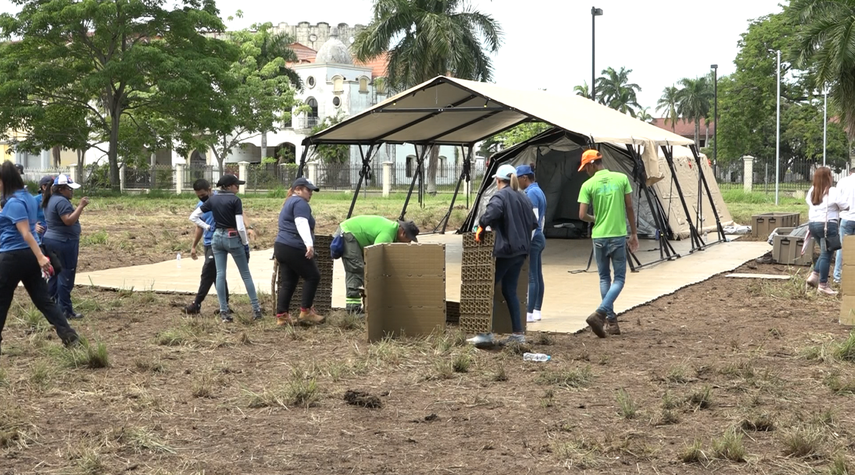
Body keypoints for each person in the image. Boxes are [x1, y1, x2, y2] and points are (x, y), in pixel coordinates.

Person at [0, 162, 79, 354]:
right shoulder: (27, 198)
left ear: (5, 180)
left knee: (2, 299)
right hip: (29, 256)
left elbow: (26, 233)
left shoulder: (13, 203)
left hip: (13, 255)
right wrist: (38, 256)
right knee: (43, 300)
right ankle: (69, 335)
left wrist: (41, 258)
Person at [473, 164, 538, 344]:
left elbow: (491, 214)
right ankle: (518, 335)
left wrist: (482, 224)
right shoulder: (523, 197)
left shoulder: (501, 195)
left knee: (487, 289)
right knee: (509, 290)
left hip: (506, 251)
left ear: (498, 180)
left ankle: (485, 334)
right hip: (521, 252)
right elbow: (534, 223)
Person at [578, 149, 639, 338]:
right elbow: (629, 206)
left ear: (590, 164)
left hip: (599, 237)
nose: (585, 171)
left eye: (585, 167)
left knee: (604, 278)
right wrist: (634, 233)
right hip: (617, 235)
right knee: (619, 279)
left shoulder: (588, 185)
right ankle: (601, 313)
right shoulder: (621, 179)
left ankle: (612, 322)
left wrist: (595, 218)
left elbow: (581, 215)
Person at [190, 174, 262, 322]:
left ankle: (224, 312)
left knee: (220, 274)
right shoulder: (235, 200)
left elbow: (194, 217)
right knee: (245, 275)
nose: (238, 187)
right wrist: (245, 243)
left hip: (217, 237)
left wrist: (208, 227)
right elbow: (240, 226)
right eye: (236, 185)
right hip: (232, 236)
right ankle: (256, 309)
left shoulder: (213, 199)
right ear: (229, 186)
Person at [336, 215, 420, 314]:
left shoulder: (393, 231)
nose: (409, 243)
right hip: (348, 234)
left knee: (364, 271)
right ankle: (353, 310)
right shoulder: (387, 235)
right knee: (356, 270)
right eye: (409, 240)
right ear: (403, 233)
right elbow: (374, 259)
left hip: (355, 235)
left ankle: (364, 307)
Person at [274, 177, 324, 326]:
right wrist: (309, 245)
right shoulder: (300, 203)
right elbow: (301, 223)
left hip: (281, 246)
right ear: (297, 189)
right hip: (294, 246)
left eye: (312, 190)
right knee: (313, 276)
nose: (311, 193)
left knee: (289, 282)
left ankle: (282, 316)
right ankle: (306, 312)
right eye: (308, 189)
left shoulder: (289, 202)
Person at [41, 174, 88, 320]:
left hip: (51, 240)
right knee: (66, 276)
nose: (72, 192)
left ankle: (50, 306)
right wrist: (80, 206)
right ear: (62, 189)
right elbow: (68, 221)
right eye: (70, 189)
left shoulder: (50, 200)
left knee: (55, 275)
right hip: (64, 242)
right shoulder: (61, 202)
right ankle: (65, 310)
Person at [184, 179, 230, 315]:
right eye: (198, 195)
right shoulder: (201, 206)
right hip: (208, 243)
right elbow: (199, 226)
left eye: (203, 194)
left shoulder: (221, 200)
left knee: (208, 271)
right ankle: (225, 304)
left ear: (210, 190)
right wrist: (193, 246)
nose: (201, 197)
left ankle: (196, 303)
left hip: (219, 242)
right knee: (216, 275)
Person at [806, 167, 848, 295]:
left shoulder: (812, 191)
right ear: (828, 177)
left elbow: (810, 203)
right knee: (827, 253)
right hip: (827, 225)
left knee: (824, 251)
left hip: (813, 225)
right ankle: (823, 285)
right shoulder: (832, 191)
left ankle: (814, 275)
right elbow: (845, 205)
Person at [516, 164, 547, 323]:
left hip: (533, 238)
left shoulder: (531, 193)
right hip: (540, 236)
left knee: (532, 276)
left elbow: (532, 221)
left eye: (517, 178)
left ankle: (529, 313)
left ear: (524, 178)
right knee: (538, 275)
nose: (517, 182)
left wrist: (526, 242)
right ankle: (537, 310)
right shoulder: (538, 191)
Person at [833, 168, 855, 283]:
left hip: (846, 218)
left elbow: (837, 199)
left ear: (850, 172)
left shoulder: (843, 181)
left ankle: (838, 276)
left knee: (842, 248)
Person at [33, 176, 53, 243]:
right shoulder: (35, 200)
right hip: (40, 234)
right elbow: (25, 215)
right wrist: (34, 226)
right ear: (44, 187)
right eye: (52, 186)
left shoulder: (57, 200)